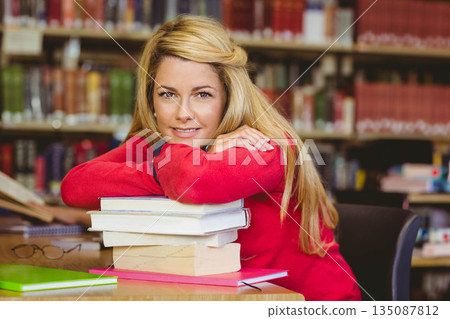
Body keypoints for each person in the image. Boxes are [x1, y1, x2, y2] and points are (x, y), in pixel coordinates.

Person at [61, 15, 361, 301]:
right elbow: (74, 186)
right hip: (228, 300)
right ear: (150, 98)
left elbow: (192, 182)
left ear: (228, 97)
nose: (183, 113)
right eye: (167, 94)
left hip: (311, 305)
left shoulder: (266, 147)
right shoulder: (160, 144)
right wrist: (163, 171)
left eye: (202, 94)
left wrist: (169, 167)